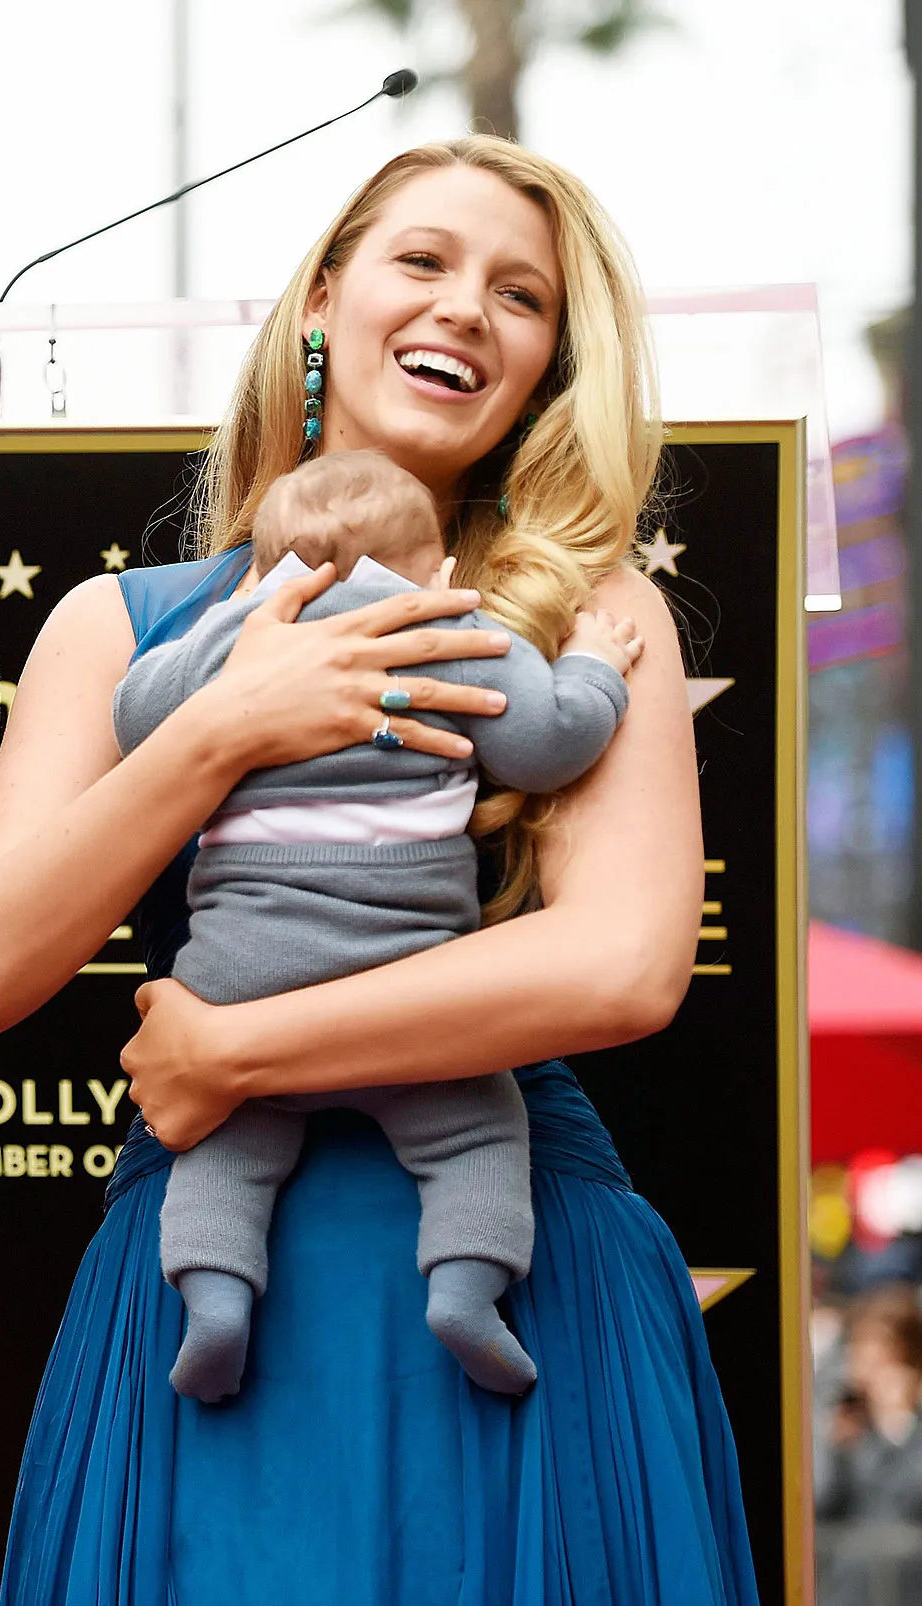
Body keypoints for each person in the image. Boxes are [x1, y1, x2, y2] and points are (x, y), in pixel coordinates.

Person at [0, 136, 760, 1602]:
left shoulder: (589, 610)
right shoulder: (120, 630)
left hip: (524, 1273)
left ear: (547, 367)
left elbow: (623, 964)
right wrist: (228, 727)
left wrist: (233, 1046)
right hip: (216, 1292)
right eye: (424, 261)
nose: (466, 311)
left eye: (521, 296)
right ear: (324, 303)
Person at [114, 449, 640, 1403]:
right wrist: (596, 668)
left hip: (237, 979)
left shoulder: (242, 639)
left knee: (226, 1151)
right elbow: (547, 744)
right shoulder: (458, 630)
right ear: (434, 569)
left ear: (271, 573)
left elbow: (137, 716)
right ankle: (467, 1291)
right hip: (405, 993)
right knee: (479, 1130)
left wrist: (229, 652)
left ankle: (215, 1299)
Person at [815, 1284, 922, 1605]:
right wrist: (835, 1444)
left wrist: (898, 1422)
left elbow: (912, 1499)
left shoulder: (909, 1420)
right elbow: (818, 1501)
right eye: (859, 1348)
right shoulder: (841, 1411)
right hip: (849, 1587)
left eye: (882, 1354)